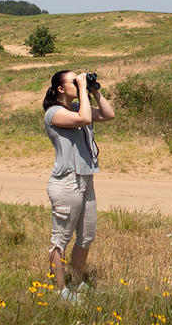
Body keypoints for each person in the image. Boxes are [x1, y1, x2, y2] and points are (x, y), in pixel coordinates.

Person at [42, 70, 115, 299]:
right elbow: (84, 119)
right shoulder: (54, 113)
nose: (78, 82)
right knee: (60, 239)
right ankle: (62, 290)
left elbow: (108, 114)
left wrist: (93, 90)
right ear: (60, 89)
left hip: (86, 180)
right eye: (73, 81)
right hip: (66, 182)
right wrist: (83, 89)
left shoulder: (77, 107)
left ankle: (79, 281)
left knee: (86, 237)